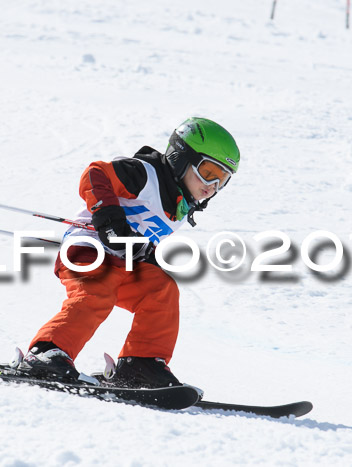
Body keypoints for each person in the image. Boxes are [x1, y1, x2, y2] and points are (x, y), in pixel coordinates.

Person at [19, 117, 240, 388]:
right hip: (89, 249)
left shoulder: (180, 205)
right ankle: (46, 353)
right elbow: (95, 174)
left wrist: (148, 253)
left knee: (162, 290)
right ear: (181, 157)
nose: (212, 186)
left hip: (124, 263)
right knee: (98, 289)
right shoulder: (146, 175)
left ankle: (141, 364)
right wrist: (110, 220)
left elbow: (143, 237)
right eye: (208, 172)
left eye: (222, 180)